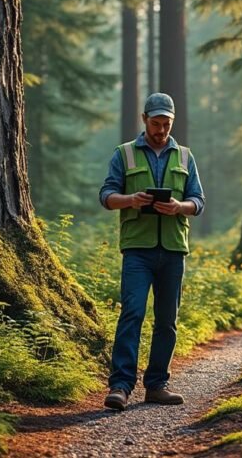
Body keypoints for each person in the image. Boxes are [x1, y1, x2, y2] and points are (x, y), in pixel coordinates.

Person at [99, 92, 205, 410]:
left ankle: (157, 385)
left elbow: (198, 202)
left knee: (167, 320)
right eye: (156, 123)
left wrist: (179, 207)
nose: (161, 130)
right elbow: (106, 195)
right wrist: (130, 200)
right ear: (145, 120)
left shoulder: (185, 157)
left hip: (173, 250)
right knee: (132, 313)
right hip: (137, 250)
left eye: (167, 124)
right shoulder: (125, 154)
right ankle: (120, 386)